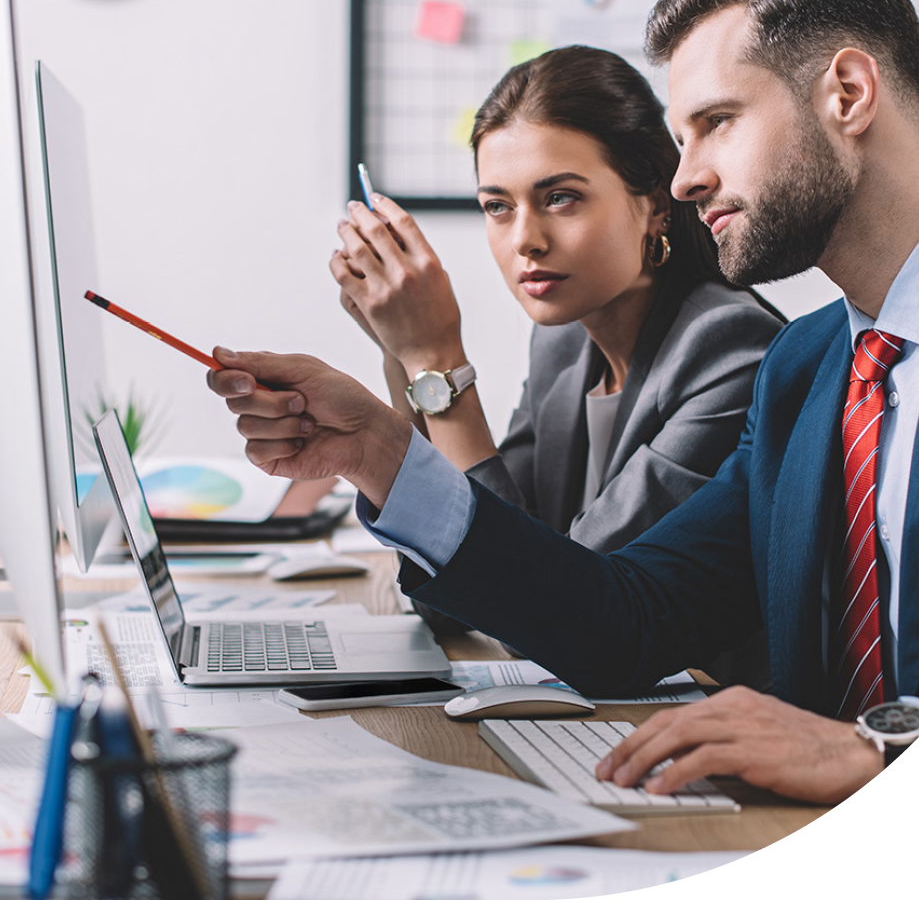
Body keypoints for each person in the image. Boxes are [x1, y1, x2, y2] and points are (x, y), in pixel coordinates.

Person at [208, 0, 919, 807]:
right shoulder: (808, 371)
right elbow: (626, 617)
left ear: (847, 94)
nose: (688, 177)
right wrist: (383, 457)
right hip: (807, 850)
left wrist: (890, 757)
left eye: (717, 123)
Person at [329, 47, 782, 564]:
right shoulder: (561, 343)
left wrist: (437, 359)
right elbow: (452, 576)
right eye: (498, 206)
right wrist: (403, 355)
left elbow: (539, 600)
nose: (525, 240)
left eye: (560, 198)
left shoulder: (729, 349)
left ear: (655, 206)